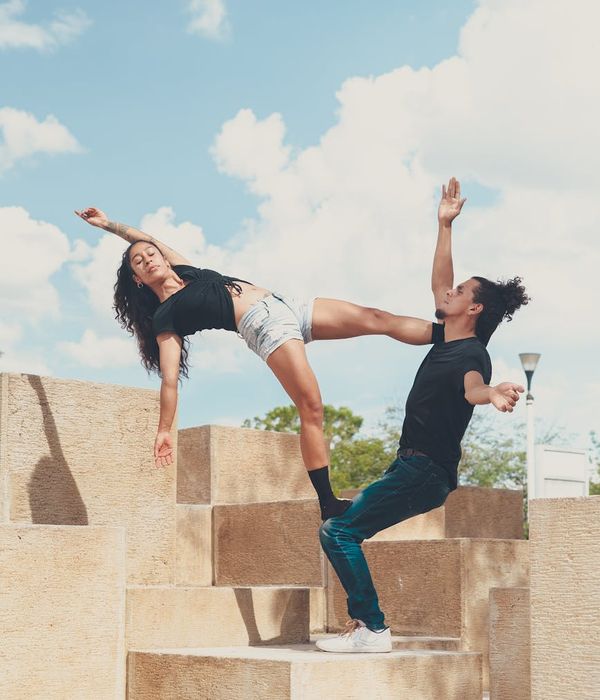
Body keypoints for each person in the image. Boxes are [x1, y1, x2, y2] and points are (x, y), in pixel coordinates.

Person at [75, 205, 439, 520]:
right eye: (139, 262)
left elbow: (144, 236)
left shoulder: (187, 269)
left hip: (285, 305)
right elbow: (169, 379)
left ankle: (448, 335)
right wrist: (165, 428)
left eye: (149, 253)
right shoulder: (166, 317)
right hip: (263, 326)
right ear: (138, 280)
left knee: (374, 317)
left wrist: (109, 225)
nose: (148, 258)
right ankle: (328, 503)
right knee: (312, 407)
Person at [316, 177, 529, 653]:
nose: (448, 292)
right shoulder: (444, 338)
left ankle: (372, 629)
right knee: (345, 530)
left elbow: (472, 389)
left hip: (425, 469)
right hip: (412, 468)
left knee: (339, 530)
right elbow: (438, 282)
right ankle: (368, 626)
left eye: (460, 292)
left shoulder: (472, 355)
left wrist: (492, 393)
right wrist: (444, 225)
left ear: (473, 308)